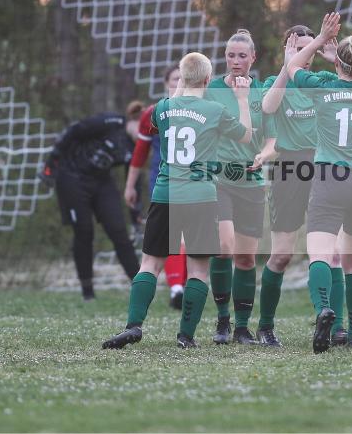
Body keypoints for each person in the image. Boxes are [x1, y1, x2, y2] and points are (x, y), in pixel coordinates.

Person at [102, 52, 253, 350]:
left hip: (165, 194)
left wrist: (183, 84)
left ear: (181, 79)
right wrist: (243, 99)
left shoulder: (162, 108)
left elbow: (171, 109)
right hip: (201, 197)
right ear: (208, 80)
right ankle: (186, 335)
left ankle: (133, 325)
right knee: (198, 270)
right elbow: (246, 137)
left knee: (149, 264)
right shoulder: (215, 110)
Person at [285, 12, 352, 353]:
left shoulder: (324, 87)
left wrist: (319, 39)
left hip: (331, 178)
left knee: (319, 255)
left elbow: (293, 67)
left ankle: (324, 309)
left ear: (337, 64)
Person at [259, 25, 350, 347]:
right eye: (300, 48)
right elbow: (268, 107)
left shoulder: (322, 81)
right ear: (287, 49)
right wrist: (288, 67)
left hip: (325, 166)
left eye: (313, 47)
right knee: (282, 255)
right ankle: (265, 326)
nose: (307, 54)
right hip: (289, 169)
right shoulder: (276, 82)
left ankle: (335, 325)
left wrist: (336, 59)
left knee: (332, 253)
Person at [205, 29, 278, 345]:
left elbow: (273, 139)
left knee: (246, 259)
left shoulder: (262, 94)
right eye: (230, 55)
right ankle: (222, 321)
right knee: (224, 248)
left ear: (253, 58)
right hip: (219, 181)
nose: (235, 61)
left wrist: (265, 154)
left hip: (251, 183)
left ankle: (242, 327)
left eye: (242, 56)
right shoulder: (211, 90)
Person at [40, 104, 144, 300]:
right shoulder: (111, 122)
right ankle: (87, 291)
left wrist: (135, 212)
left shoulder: (137, 147)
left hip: (101, 181)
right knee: (84, 231)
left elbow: (134, 179)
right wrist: (52, 162)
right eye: (143, 128)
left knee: (119, 231)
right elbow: (74, 131)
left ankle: (141, 287)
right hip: (72, 176)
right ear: (134, 120)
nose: (144, 134)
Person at [125, 65, 187, 309]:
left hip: (196, 181)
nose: (179, 82)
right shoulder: (154, 113)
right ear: (165, 83)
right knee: (171, 237)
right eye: (175, 79)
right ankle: (177, 288)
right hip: (163, 182)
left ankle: (181, 287)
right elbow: (139, 154)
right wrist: (130, 186)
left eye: (183, 78)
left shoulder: (203, 111)